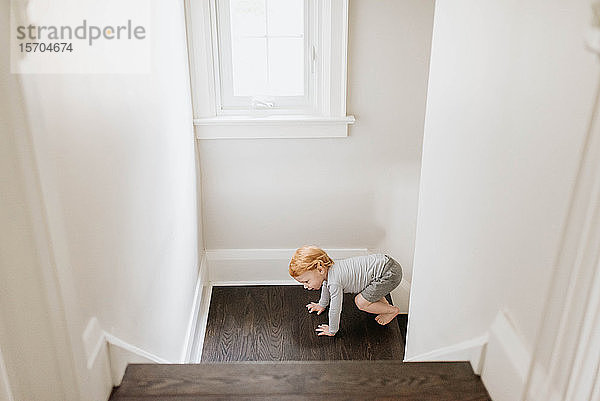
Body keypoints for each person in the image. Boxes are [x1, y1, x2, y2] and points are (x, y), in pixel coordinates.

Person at [289, 245, 403, 337]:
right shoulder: (329, 271)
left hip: (388, 274)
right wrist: (322, 304)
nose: (305, 286)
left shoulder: (334, 282)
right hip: (384, 264)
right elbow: (325, 285)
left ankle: (391, 311)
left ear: (320, 269)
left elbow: (335, 308)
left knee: (361, 302)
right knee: (368, 294)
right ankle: (383, 306)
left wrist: (332, 330)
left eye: (306, 281)